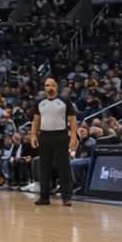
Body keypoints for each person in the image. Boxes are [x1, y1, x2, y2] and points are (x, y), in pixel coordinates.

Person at [30, 77, 77, 207]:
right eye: (47, 85)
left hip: (61, 136)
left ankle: (66, 197)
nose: (49, 88)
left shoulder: (65, 101)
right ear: (44, 88)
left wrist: (73, 136)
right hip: (44, 136)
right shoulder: (40, 103)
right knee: (44, 167)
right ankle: (44, 197)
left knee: (64, 167)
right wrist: (33, 135)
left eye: (52, 85)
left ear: (56, 87)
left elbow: (72, 120)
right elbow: (36, 121)